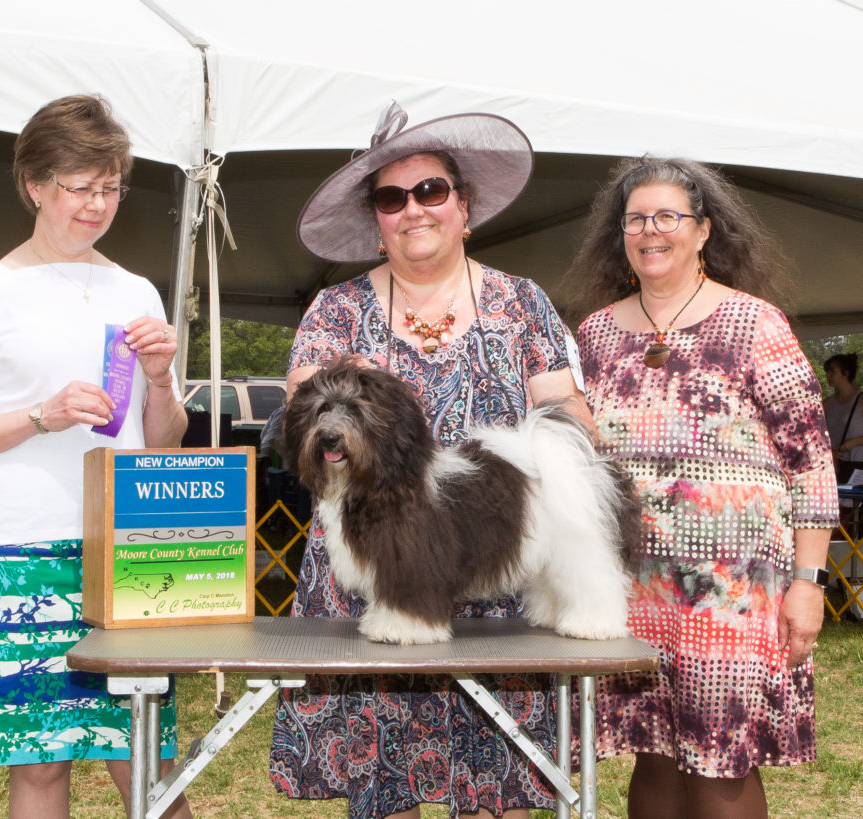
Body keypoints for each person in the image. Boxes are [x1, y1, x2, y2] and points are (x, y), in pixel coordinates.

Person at [268, 101, 592, 819]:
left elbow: (567, 418)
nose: (413, 208)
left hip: (496, 581)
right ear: (375, 218)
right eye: (391, 197)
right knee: (385, 796)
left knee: (494, 793)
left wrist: (571, 460)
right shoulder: (334, 312)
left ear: (464, 204)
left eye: (431, 191)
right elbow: (301, 422)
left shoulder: (523, 304)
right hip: (372, 590)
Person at [0, 95, 190, 819]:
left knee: (149, 761)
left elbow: (160, 443)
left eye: (111, 187)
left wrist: (163, 379)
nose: (98, 204)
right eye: (81, 186)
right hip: (17, 549)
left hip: (126, 552)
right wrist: (40, 416)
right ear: (34, 185)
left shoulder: (135, 290)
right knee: (39, 769)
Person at [567, 156, 839, 819]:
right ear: (619, 232)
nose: (650, 230)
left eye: (668, 216)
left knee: (721, 763)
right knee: (653, 751)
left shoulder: (757, 325)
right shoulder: (595, 335)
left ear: (704, 230)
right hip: (631, 587)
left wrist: (809, 581)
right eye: (635, 218)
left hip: (734, 595)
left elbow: (811, 463)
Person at [823, 353, 863, 484]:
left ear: (846, 373)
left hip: (858, 469)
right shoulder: (826, 404)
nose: (827, 375)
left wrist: (856, 441)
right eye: (827, 371)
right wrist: (829, 452)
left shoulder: (861, 400)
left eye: (832, 371)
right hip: (835, 469)